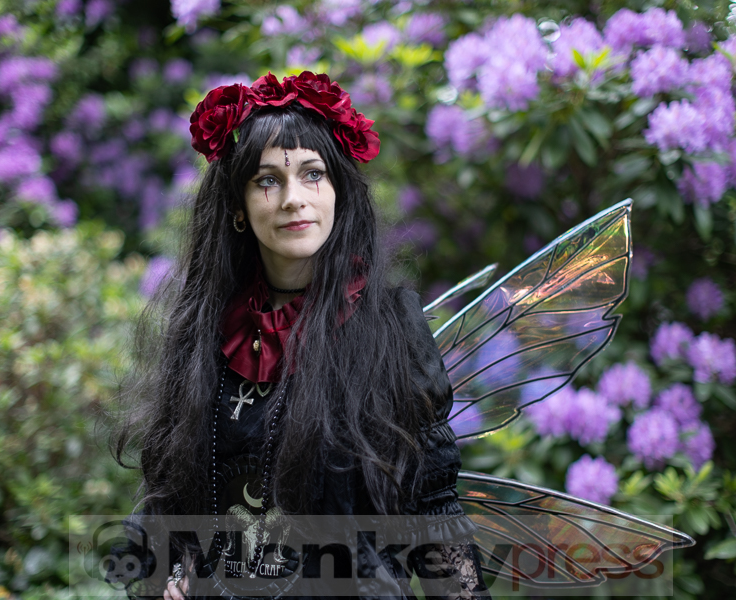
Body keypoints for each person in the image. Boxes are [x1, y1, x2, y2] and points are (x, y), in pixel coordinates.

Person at [112, 71, 489, 600]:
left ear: (338, 193)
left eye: (313, 175)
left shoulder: (388, 323)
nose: (294, 199)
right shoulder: (206, 326)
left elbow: (433, 506)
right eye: (268, 180)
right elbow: (174, 497)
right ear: (239, 209)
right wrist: (170, 575)